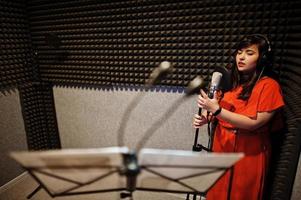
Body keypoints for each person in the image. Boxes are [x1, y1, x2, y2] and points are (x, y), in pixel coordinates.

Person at [193, 34, 285, 200]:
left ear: (263, 58)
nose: (241, 57)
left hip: (249, 154)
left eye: (249, 53)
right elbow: (217, 105)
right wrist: (207, 116)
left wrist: (217, 110)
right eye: (239, 52)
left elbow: (254, 123)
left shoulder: (269, 86)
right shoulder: (231, 82)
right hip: (221, 149)